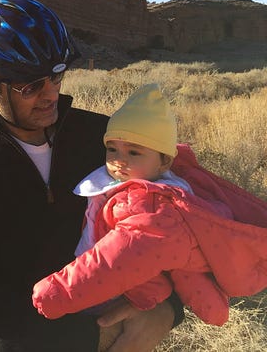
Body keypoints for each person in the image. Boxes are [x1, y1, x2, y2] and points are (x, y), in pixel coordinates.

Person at [0, 0, 182, 352]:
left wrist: (168, 311)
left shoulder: (104, 138)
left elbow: (180, 220)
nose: (50, 94)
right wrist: (84, 338)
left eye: (56, 76)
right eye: (29, 86)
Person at [32, 84, 267, 326]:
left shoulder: (147, 206)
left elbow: (119, 258)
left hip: (111, 292)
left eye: (134, 152)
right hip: (126, 286)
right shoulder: (138, 186)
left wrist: (57, 292)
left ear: (164, 161)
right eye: (112, 149)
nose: (118, 160)